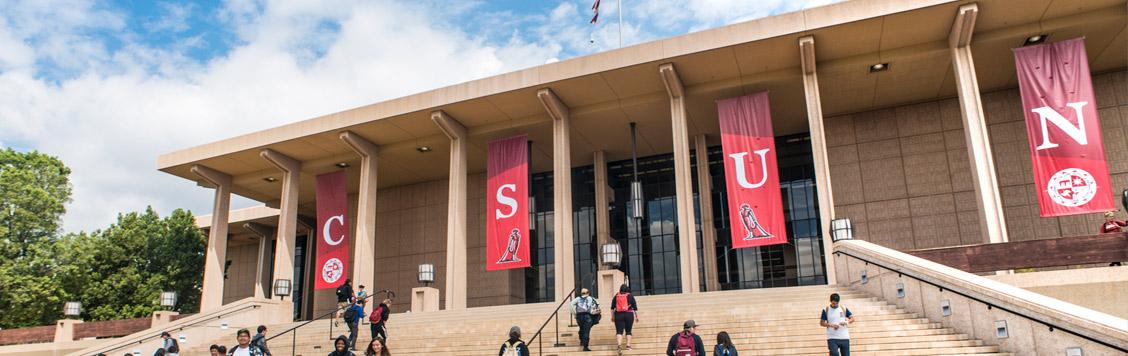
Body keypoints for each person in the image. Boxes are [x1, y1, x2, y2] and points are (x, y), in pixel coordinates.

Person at [610, 284, 638, 353]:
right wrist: (637, 316)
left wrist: (612, 316)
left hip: (618, 315)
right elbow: (635, 308)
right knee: (628, 331)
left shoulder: (617, 295)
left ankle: (619, 345)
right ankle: (628, 346)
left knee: (619, 331)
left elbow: (612, 308)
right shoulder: (630, 296)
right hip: (629, 314)